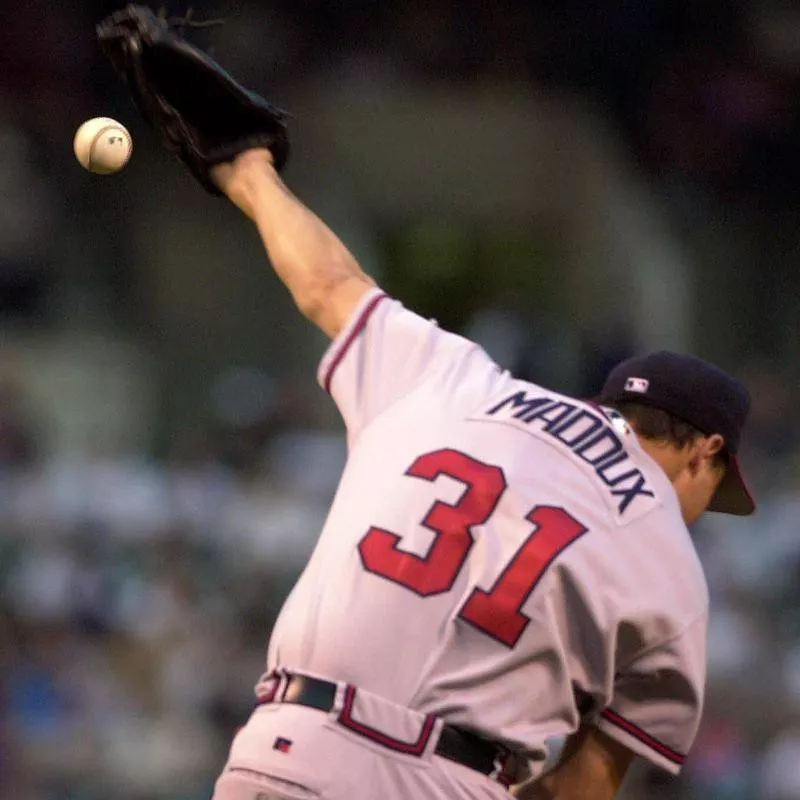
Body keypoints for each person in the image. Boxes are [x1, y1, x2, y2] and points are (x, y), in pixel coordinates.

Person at [207, 149, 754, 800]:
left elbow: (326, 283)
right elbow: (583, 785)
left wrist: (248, 172)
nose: (697, 510)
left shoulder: (459, 381)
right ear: (706, 451)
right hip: (437, 778)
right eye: (713, 492)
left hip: (278, 748)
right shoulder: (671, 563)